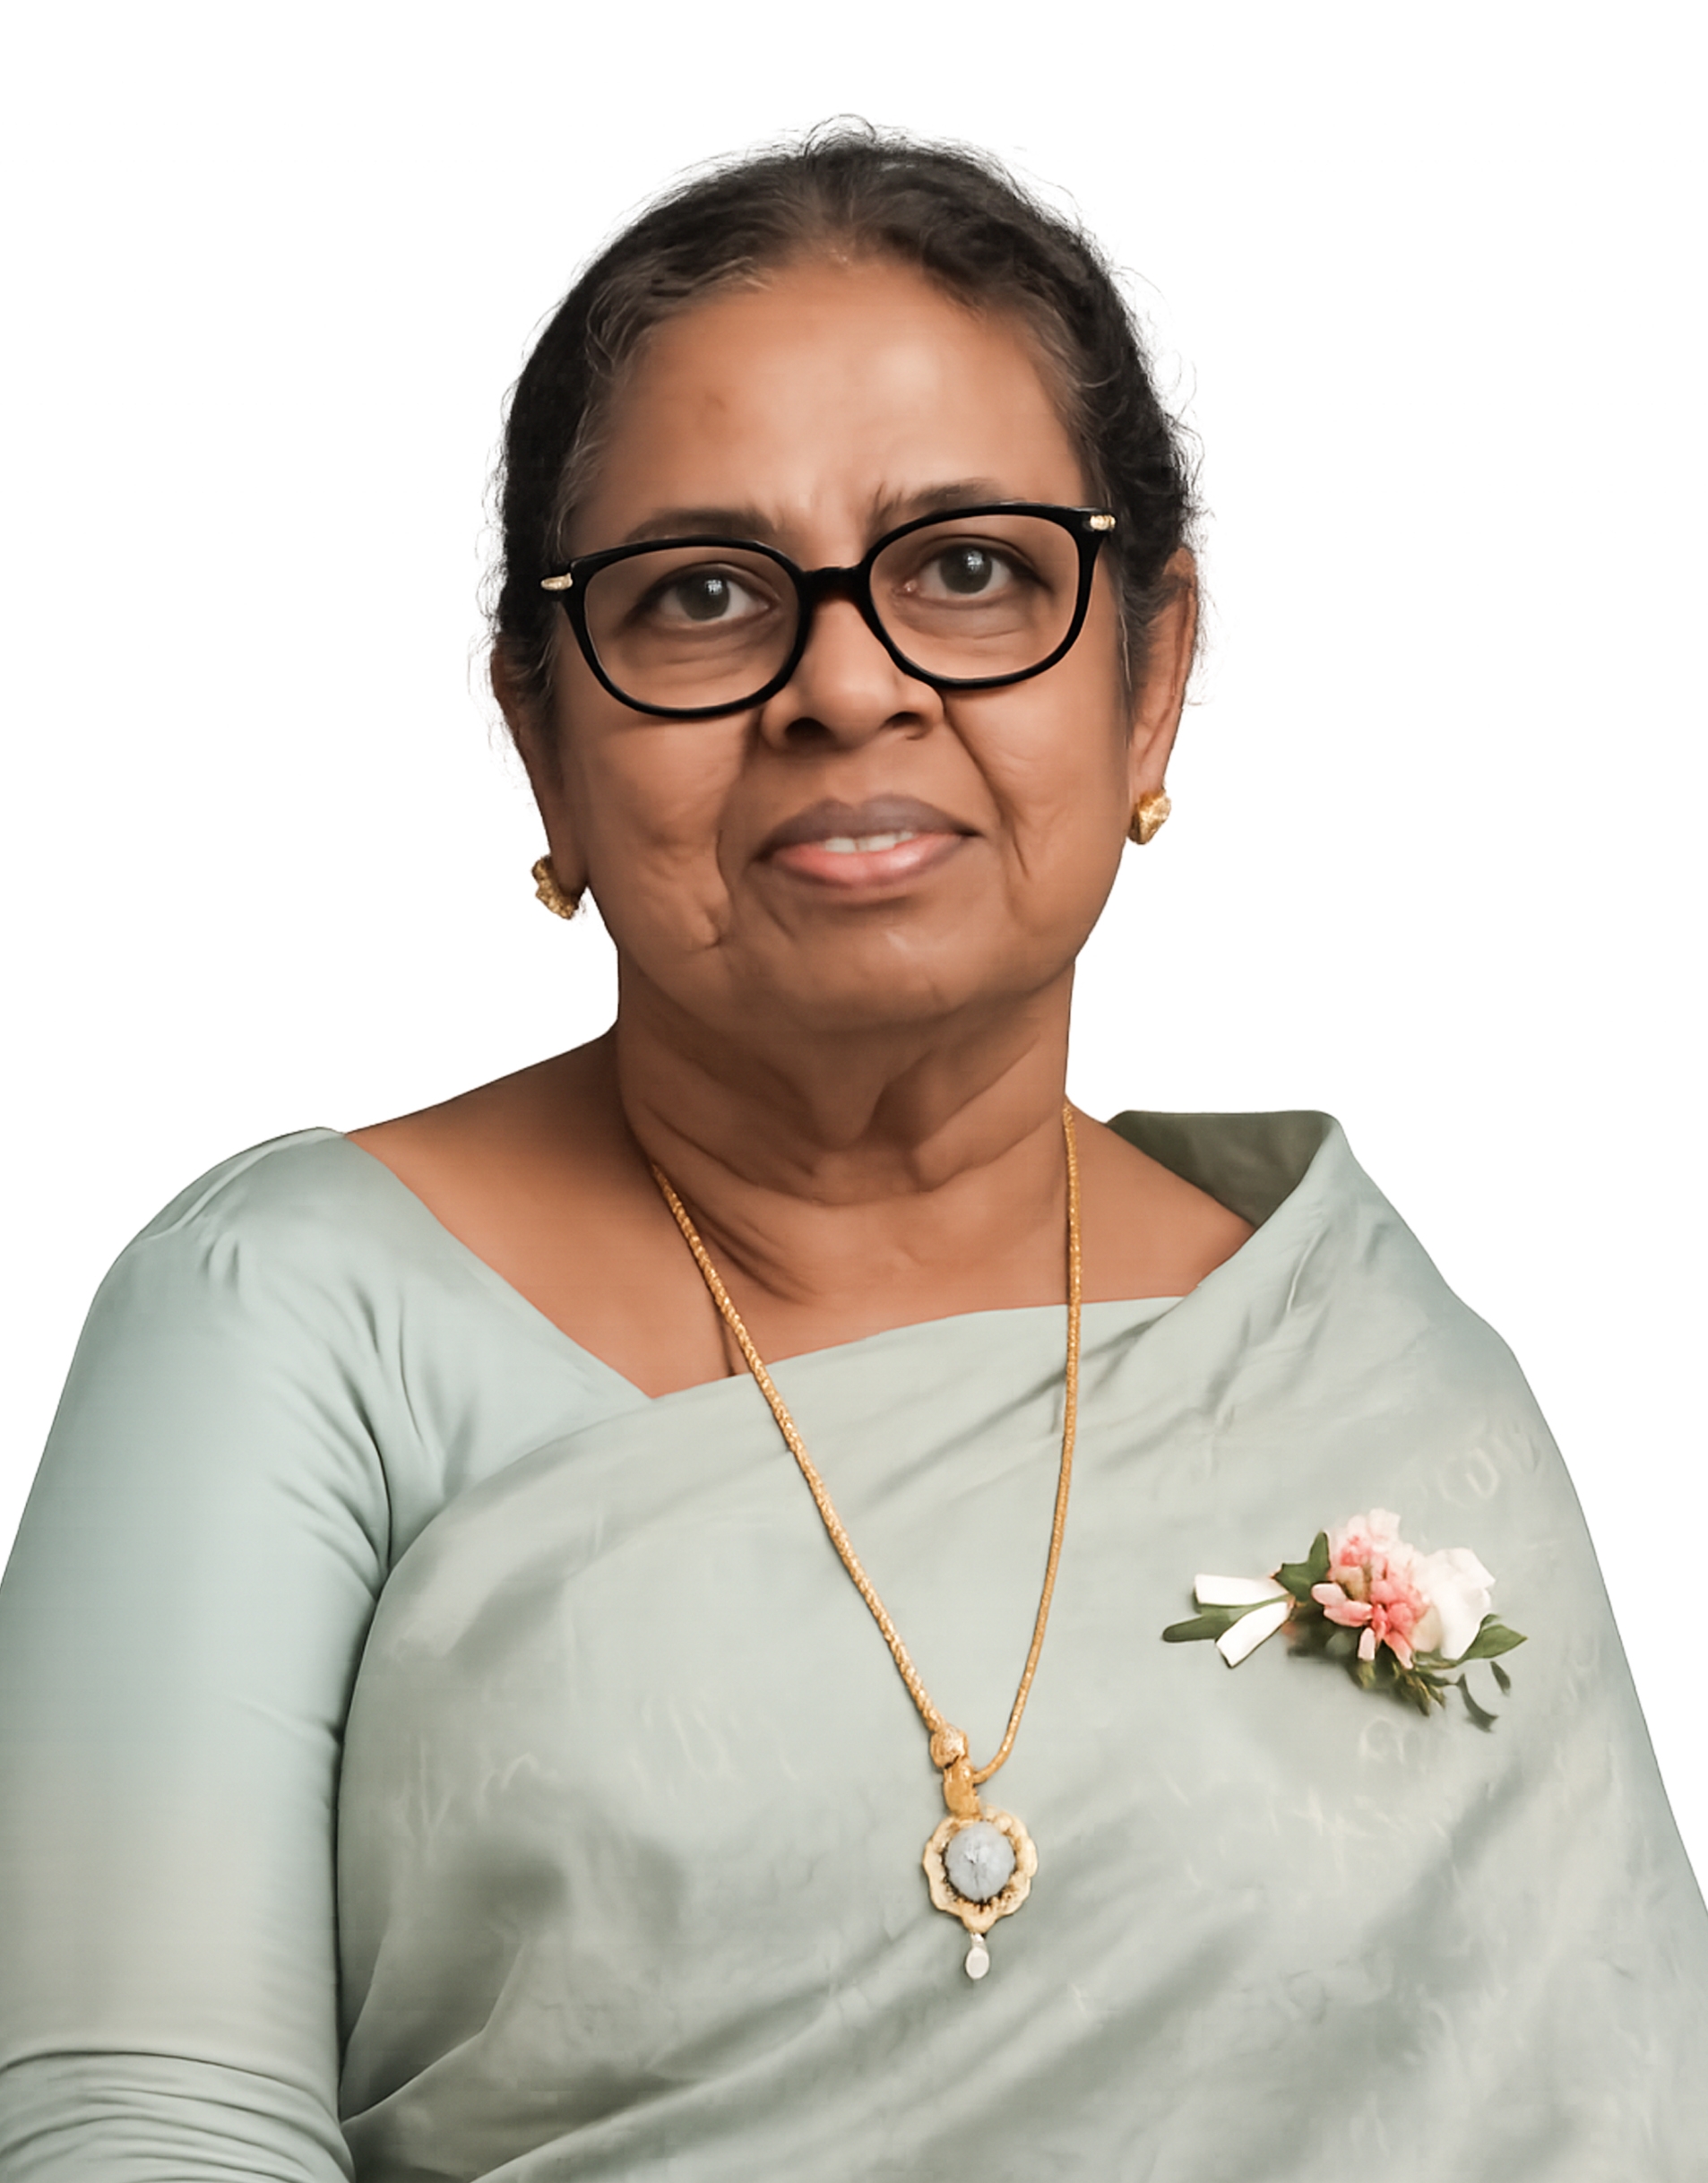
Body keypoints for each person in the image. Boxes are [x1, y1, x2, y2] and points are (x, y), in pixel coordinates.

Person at [1, 125, 1703, 2182]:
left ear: (1149, 680)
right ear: (542, 737)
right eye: (702, 596)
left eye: (967, 570)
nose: (844, 684)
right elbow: (139, 2123)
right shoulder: (289, 1317)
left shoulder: (1363, 1368)